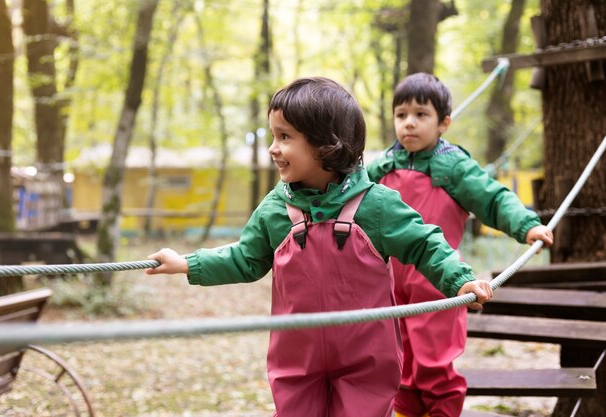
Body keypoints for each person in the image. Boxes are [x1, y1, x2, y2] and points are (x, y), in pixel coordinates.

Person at [146, 76, 492, 417]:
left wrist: (458, 279)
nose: (272, 148)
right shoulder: (275, 209)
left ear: (327, 144)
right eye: (273, 136)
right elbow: (244, 259)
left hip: (366, 359)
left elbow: (425, 243)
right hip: (297, 359)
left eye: (284, 137)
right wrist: (187, 263)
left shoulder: (376, 205)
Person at [366, 72, 554, 417]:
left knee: (434, 365)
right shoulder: (380, 168)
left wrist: (526, 225)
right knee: (397, 365)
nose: (409, 123)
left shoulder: (453, 166)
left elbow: (493, 198)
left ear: (444, 123)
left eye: (421, 115)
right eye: (401, 114)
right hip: (388, 286)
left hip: (439, 284)